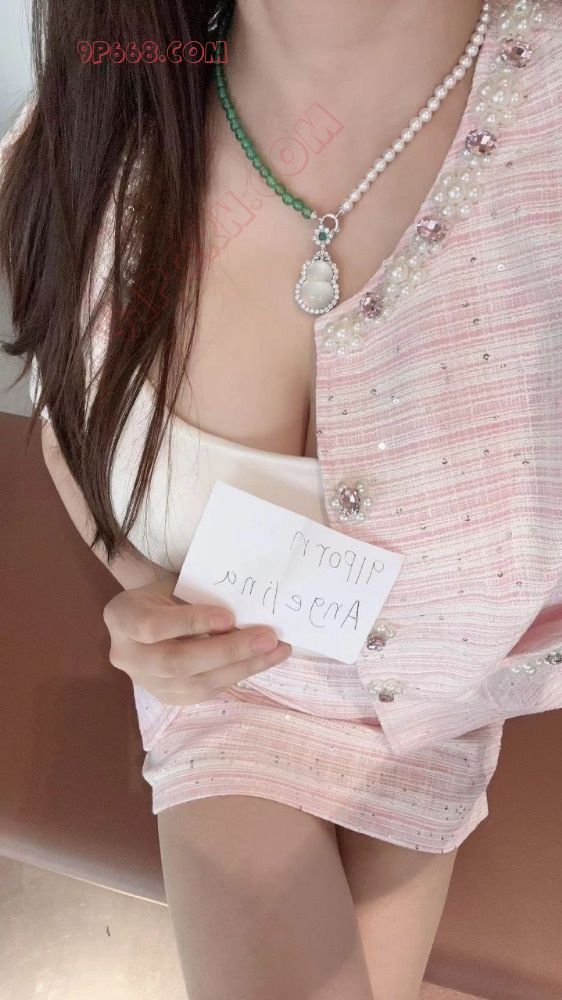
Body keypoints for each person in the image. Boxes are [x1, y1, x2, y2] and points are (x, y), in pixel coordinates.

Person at [1, 1, 561, 997]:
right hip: (232, 689)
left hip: (440, 708)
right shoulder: (96, 121)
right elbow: (68, 423)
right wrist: (137, 583)